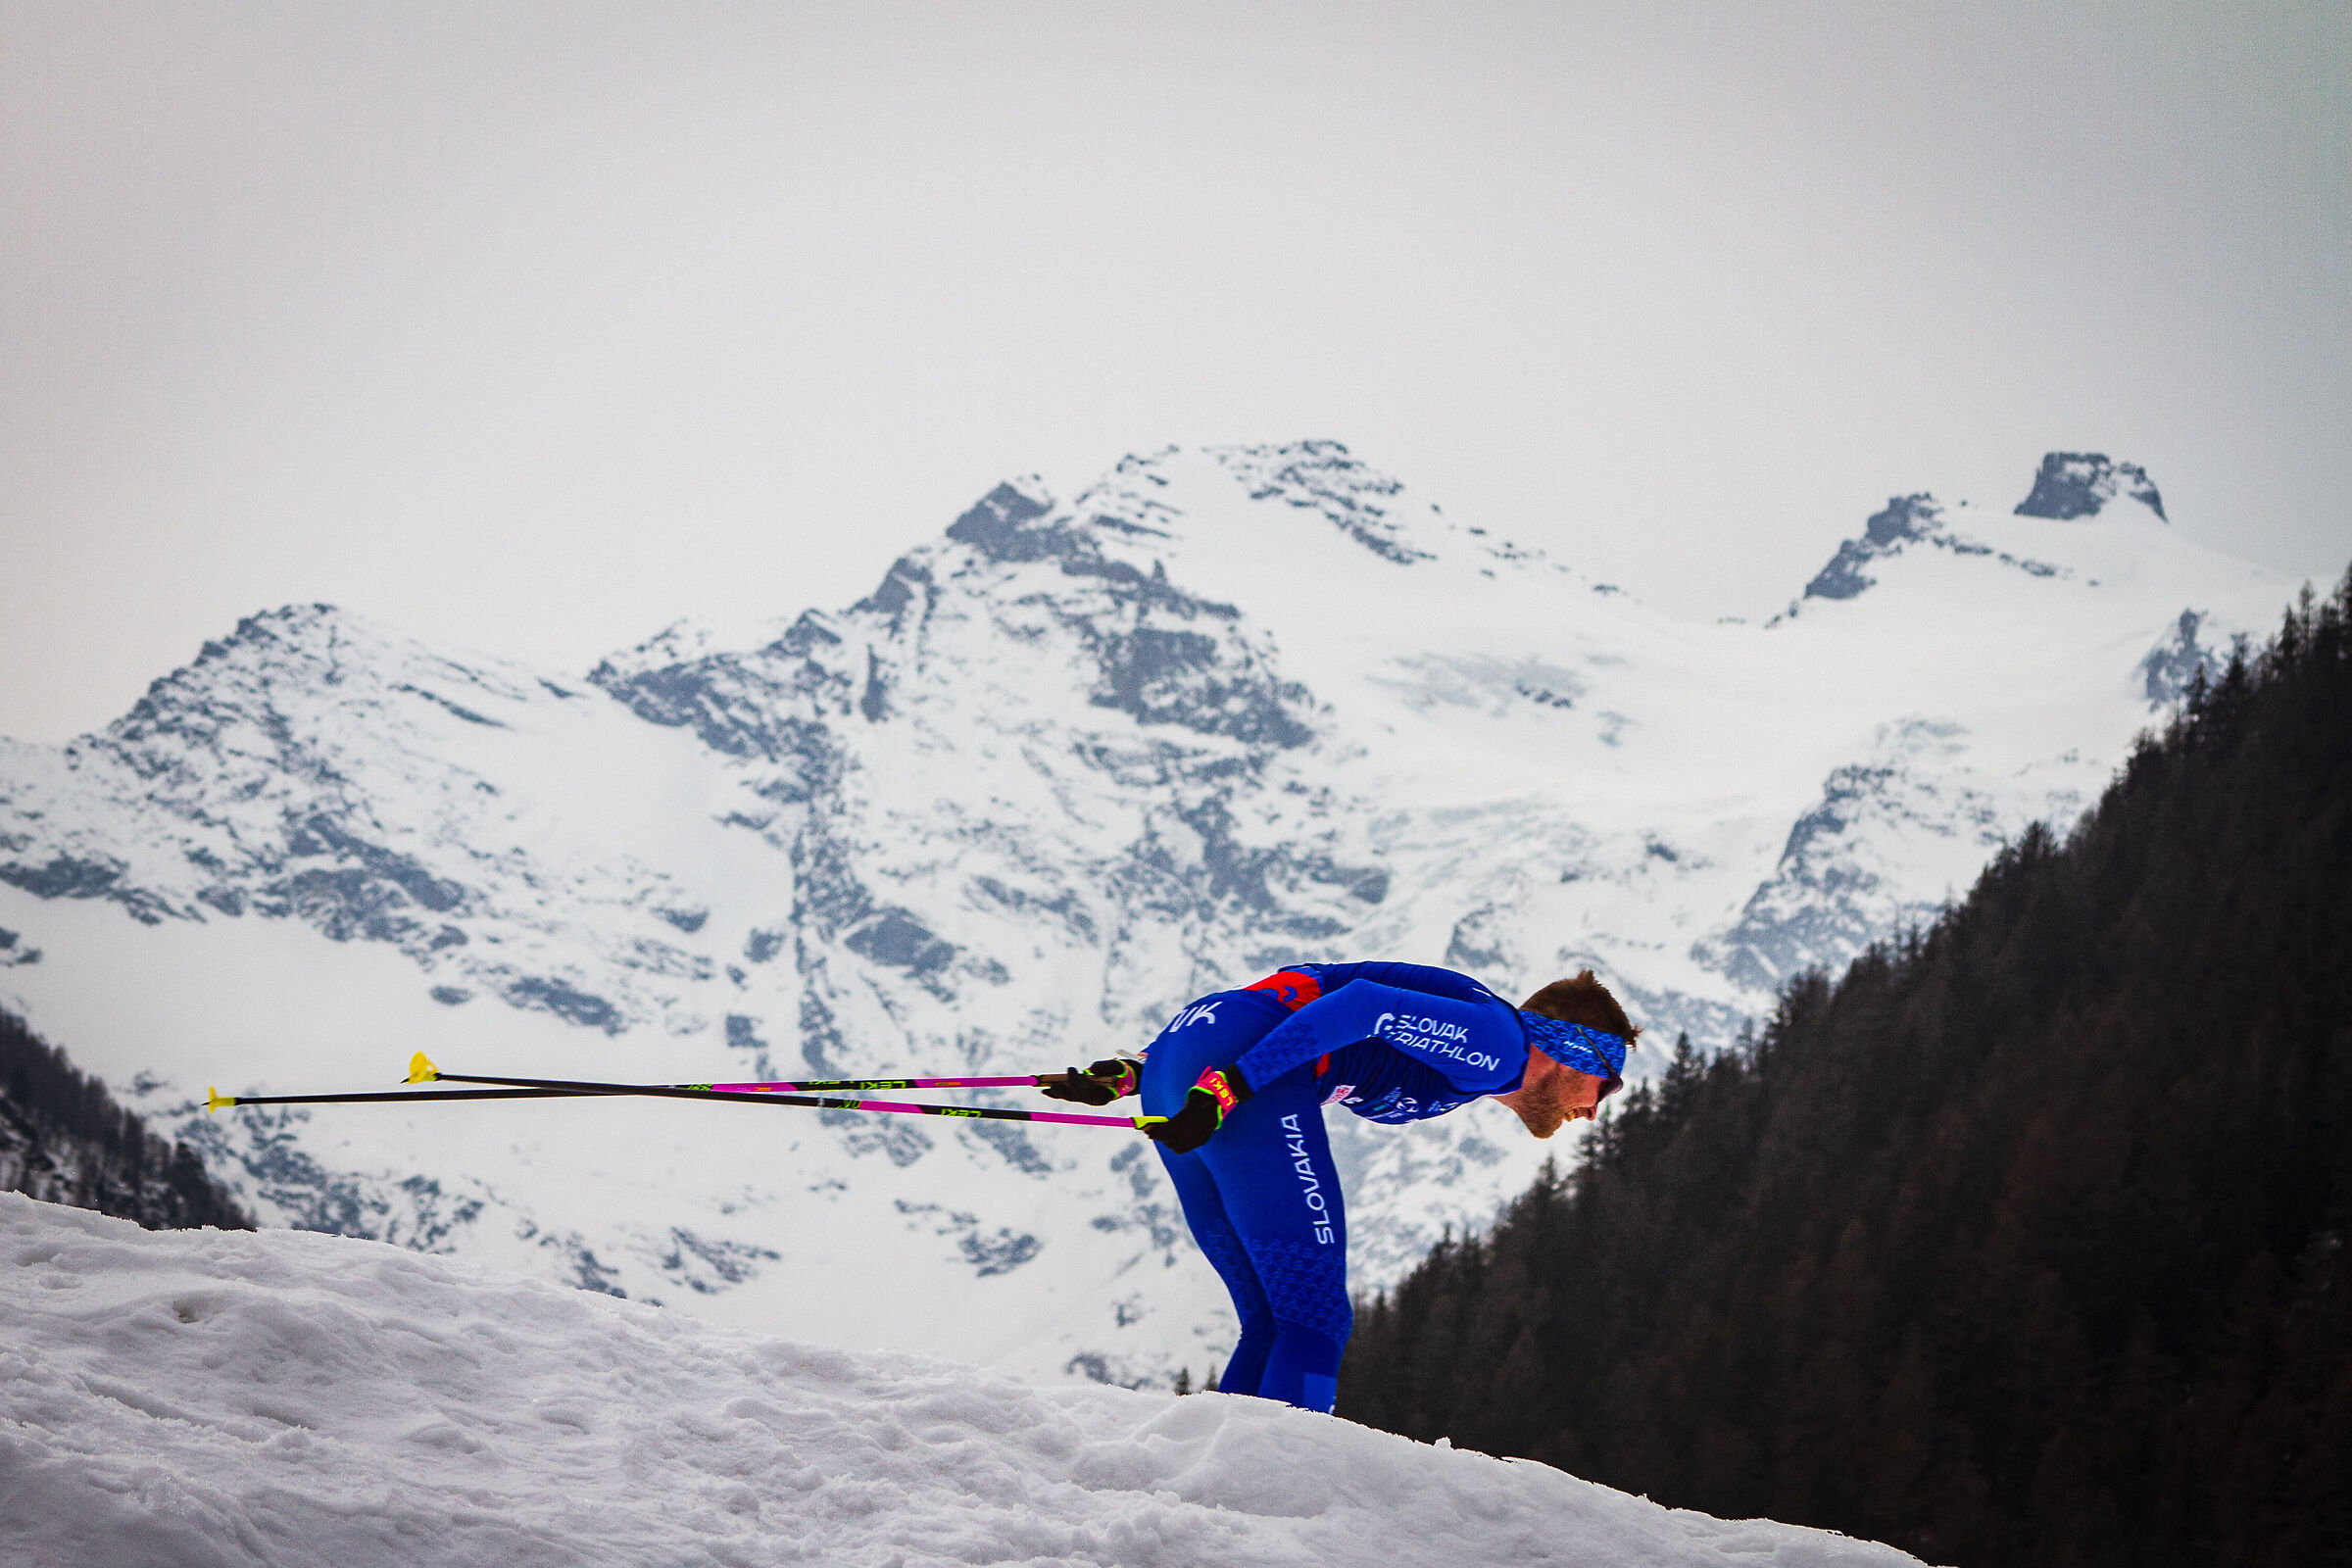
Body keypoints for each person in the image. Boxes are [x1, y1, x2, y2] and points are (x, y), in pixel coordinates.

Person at [1041, 961, 1639, 1413]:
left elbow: (1291, 997)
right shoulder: (1501, 1047)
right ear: (1574, 1051)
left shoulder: (1482, 1041)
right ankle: (1274, 1504)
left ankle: (1219, 1490)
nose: (1592, 1111)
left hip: (1185, 1052)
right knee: (1315, 1321)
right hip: (1236, 1080)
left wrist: (1135, 1073)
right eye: (1606, 1087)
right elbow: (1362, 1005)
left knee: (1273, 1320)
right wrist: (1233, 1085)